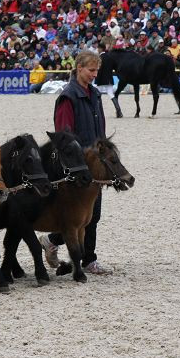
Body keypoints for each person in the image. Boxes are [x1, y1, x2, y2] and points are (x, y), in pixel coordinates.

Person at [39, 50, 112, 275]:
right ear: (79, 68)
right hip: (78, 166)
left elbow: (100, 129)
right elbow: (64, 135)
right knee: (80, 216)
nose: (94, 74)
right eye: (91, 70)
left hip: (94, 162)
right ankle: (83, 257)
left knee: (93, 215)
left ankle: (66, 248)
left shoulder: (95, 94)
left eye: (96, 70)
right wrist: (79, 160)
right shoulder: (68, 96)